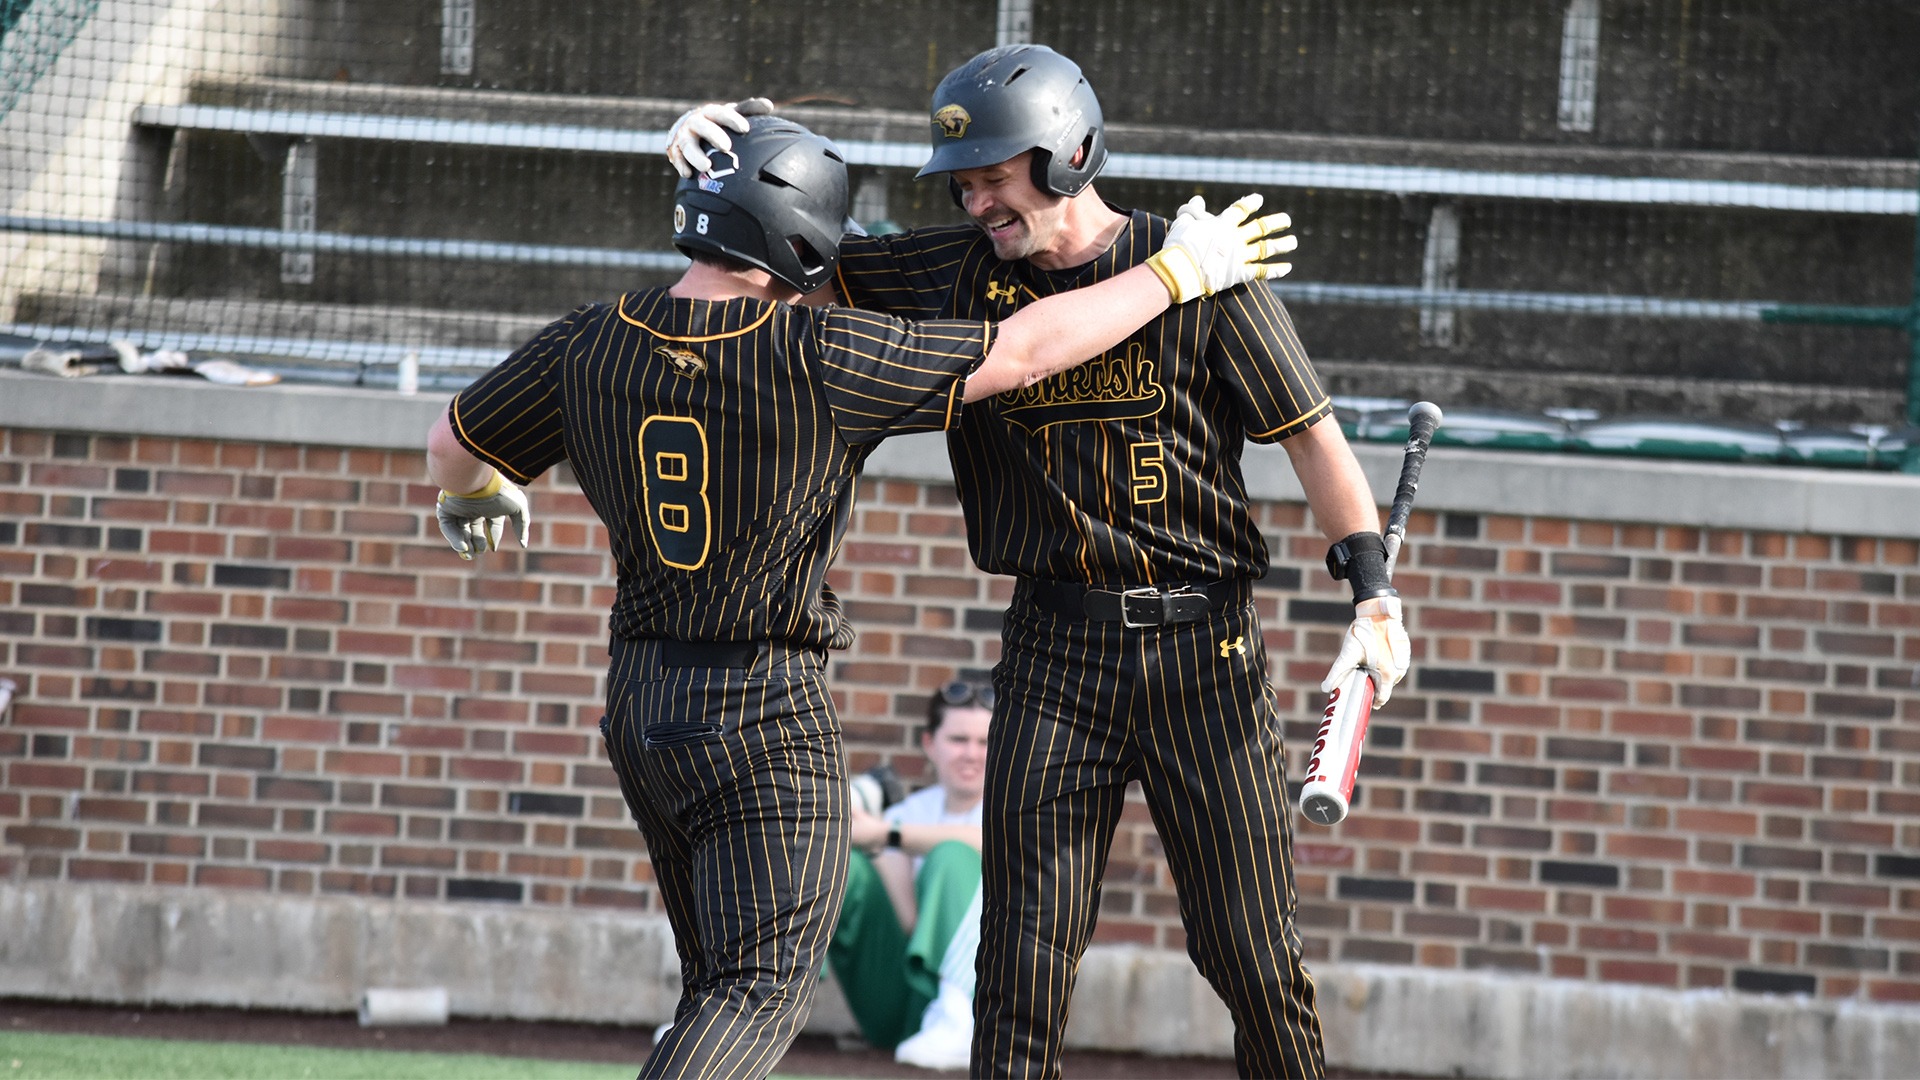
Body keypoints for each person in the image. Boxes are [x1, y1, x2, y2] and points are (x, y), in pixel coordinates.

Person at [426, 114, 1297, 1080]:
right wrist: (1176, 272)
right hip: (760, 710)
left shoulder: (588, 340)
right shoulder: (818, 353)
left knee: (712, 978)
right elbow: (1021, 354)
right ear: (793, 241)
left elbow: (453, 447)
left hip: (639, 703)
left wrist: (474, 491)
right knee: (753, 991)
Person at [668, 45, 1412, 1080]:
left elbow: (1312, 438)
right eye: (962, 182)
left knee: (1249, 954)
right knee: (1020, 959)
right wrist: (724, 153)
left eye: (993, 175)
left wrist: (1373, 593)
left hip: (1207, 654)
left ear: (1070, 154)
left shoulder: (1203, 270)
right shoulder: (948, 271)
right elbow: (776, 271)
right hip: (1054, 650)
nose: (974, 199)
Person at [831, 682, 992, 1071]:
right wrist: (860, 821)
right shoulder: (911, 812)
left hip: (980, 1005)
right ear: (929, 743)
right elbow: (908, 923)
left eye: (985, 741)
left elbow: (990, 843)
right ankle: (753, 1010)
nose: (971, 754)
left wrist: (886, 835)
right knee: (843, 868)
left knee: (953, 854)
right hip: (900, 999)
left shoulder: (1012, 814)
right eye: (958, 739)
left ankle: (957, 1022)